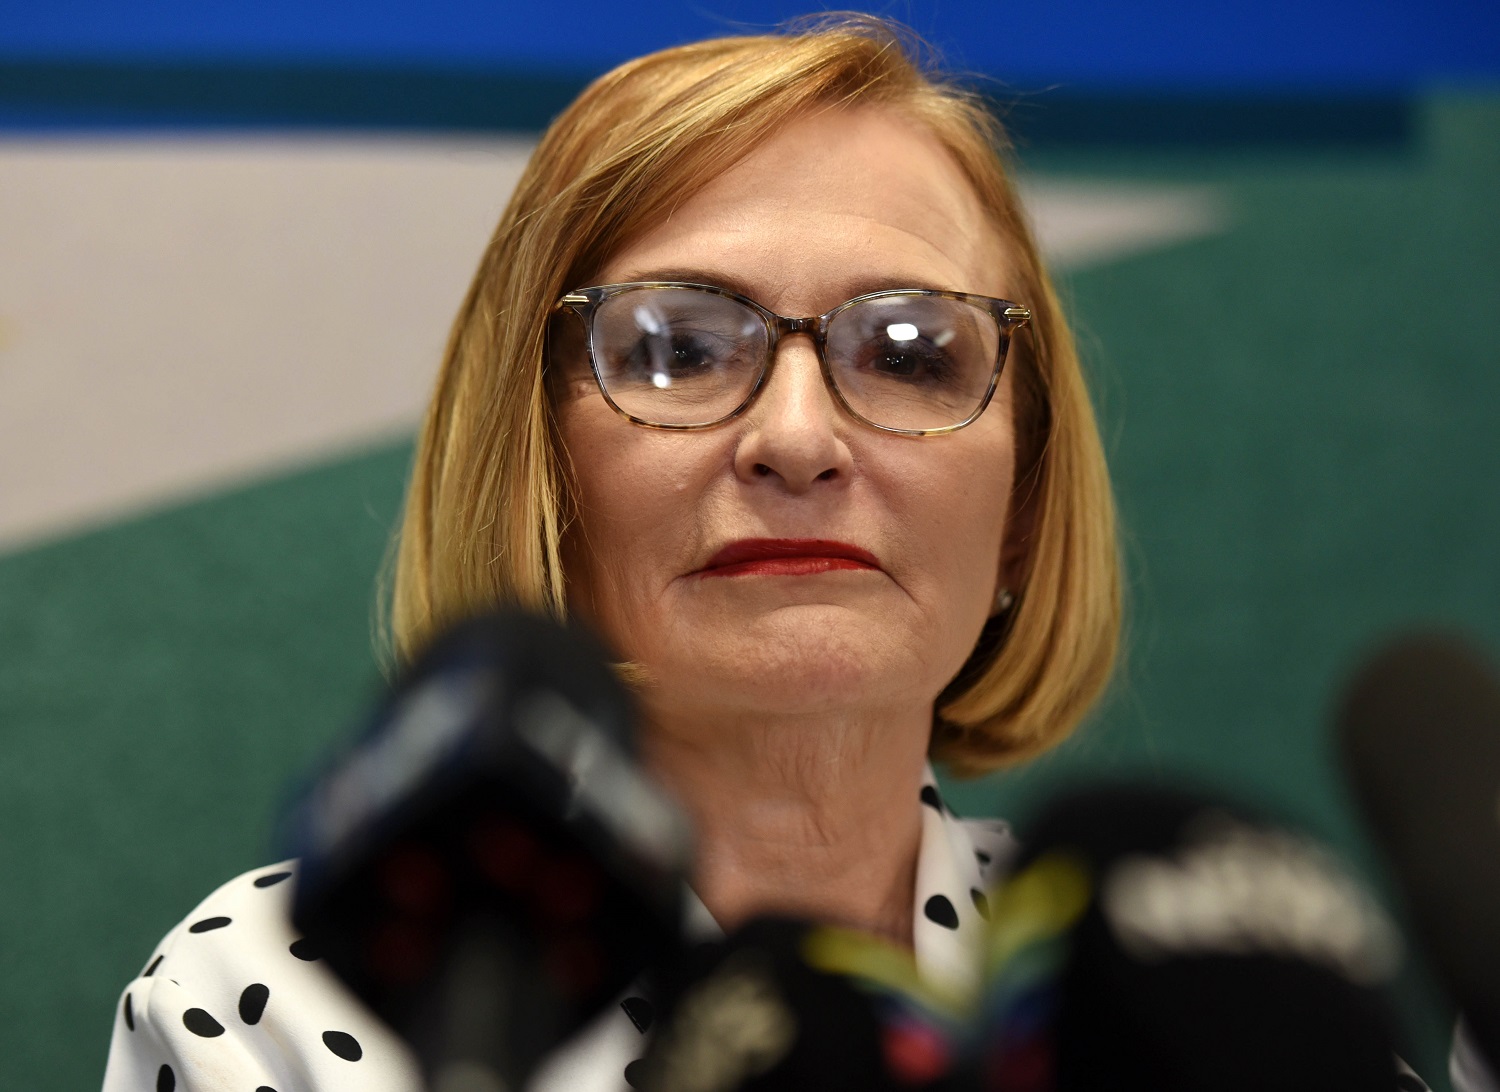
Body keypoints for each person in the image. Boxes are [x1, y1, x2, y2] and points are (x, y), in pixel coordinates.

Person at [103, 16, 1122, 1092]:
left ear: (1023, 507)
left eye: (908, 354)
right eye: (679, 348)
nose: (797, 440)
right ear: (539, 469)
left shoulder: (1132, 992)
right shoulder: (271, 1001)